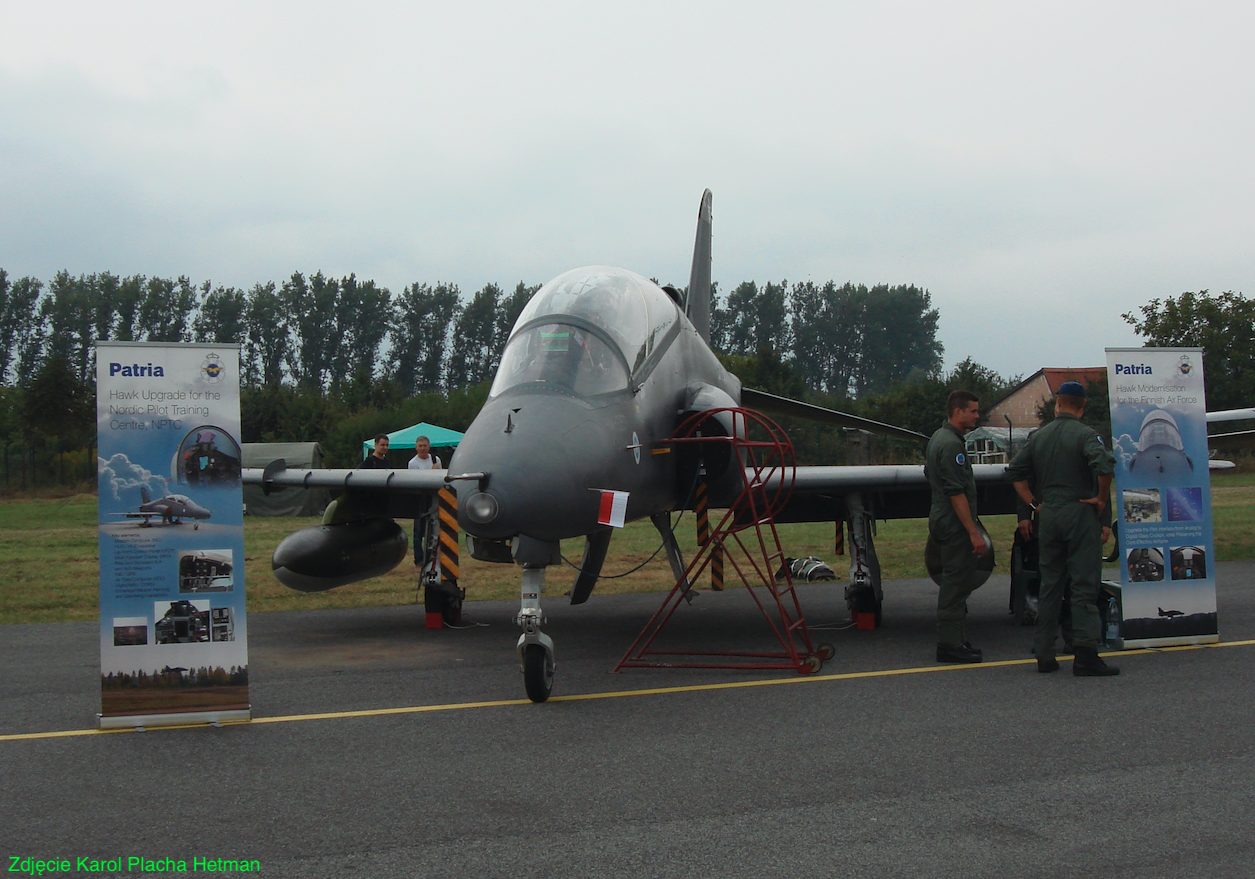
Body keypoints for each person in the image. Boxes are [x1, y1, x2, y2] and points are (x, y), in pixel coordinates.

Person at [1007, 381, 1118, 676]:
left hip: (1050, 515)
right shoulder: (1087, 436)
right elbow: (1105, 467)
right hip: (1079, 512)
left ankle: (1044, 653)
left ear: (1058, 404)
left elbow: (1016, 473)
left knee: (1050, 584)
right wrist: (1101, 499)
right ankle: (1086, 653)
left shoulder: (1038, 437)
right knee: (1083, 585)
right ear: (1082, 407)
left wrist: (1034, 504)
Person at [926, 389, 988, 664]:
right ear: (958, 411)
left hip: (944, 517)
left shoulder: (940, 439)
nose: (977, 415)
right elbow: (955, 491)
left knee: (958, 580)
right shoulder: (951, 445)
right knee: (956, 583)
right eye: (973, 411)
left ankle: (957, 639)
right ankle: (949, 644)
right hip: (954, 523)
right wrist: (973, 532)